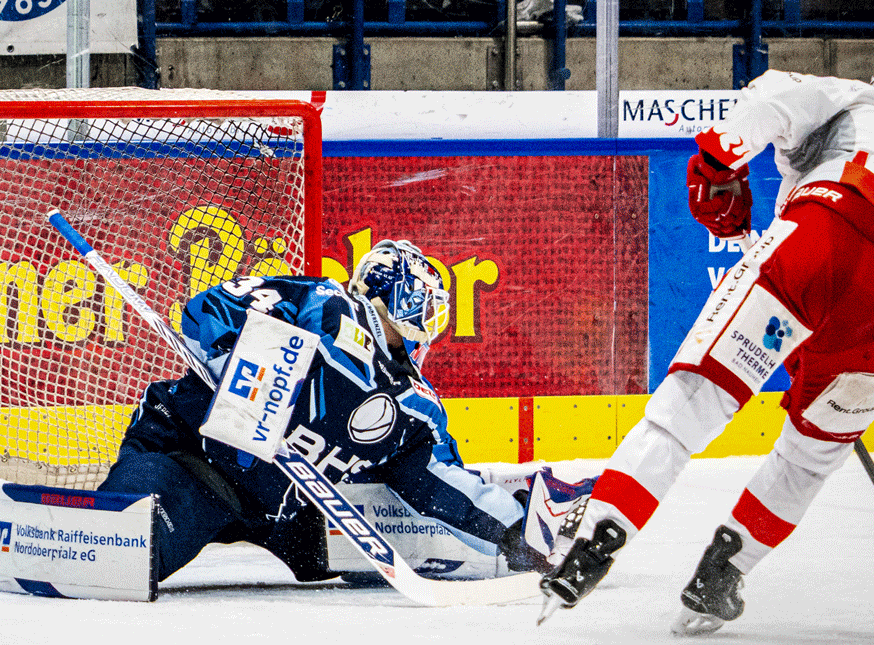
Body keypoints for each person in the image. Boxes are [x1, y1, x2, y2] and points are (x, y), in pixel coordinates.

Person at [538, 70, 874, 635]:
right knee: (811, 455)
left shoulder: (859, 100)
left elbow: (770, 95)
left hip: (832, 226)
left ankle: (597, 538)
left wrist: (719, 163)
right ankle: (721, 577)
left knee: (694, 399)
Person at [97, 239, 595, 585]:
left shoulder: (416, 408)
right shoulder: (325, 305)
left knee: (345, 556)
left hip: (281, 510)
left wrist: (514, 533)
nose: (430, 324)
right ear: (395, 294)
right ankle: (88, 521)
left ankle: (538, 511)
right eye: (425, 305)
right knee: (126, 554)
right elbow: (211, 307)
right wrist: (235, 355)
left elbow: (440, 484)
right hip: (196, 462)